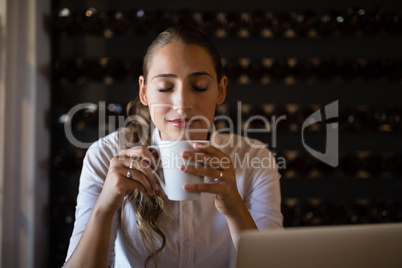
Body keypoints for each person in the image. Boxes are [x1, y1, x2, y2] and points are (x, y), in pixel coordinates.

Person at [64, 26, 283, 268]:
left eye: (199, 86)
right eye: (165, 88)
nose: (182, 103)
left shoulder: (254, 158)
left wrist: (234, 206)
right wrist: (104, 208)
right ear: (144, 92)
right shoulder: (105, 155)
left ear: (220, 90)